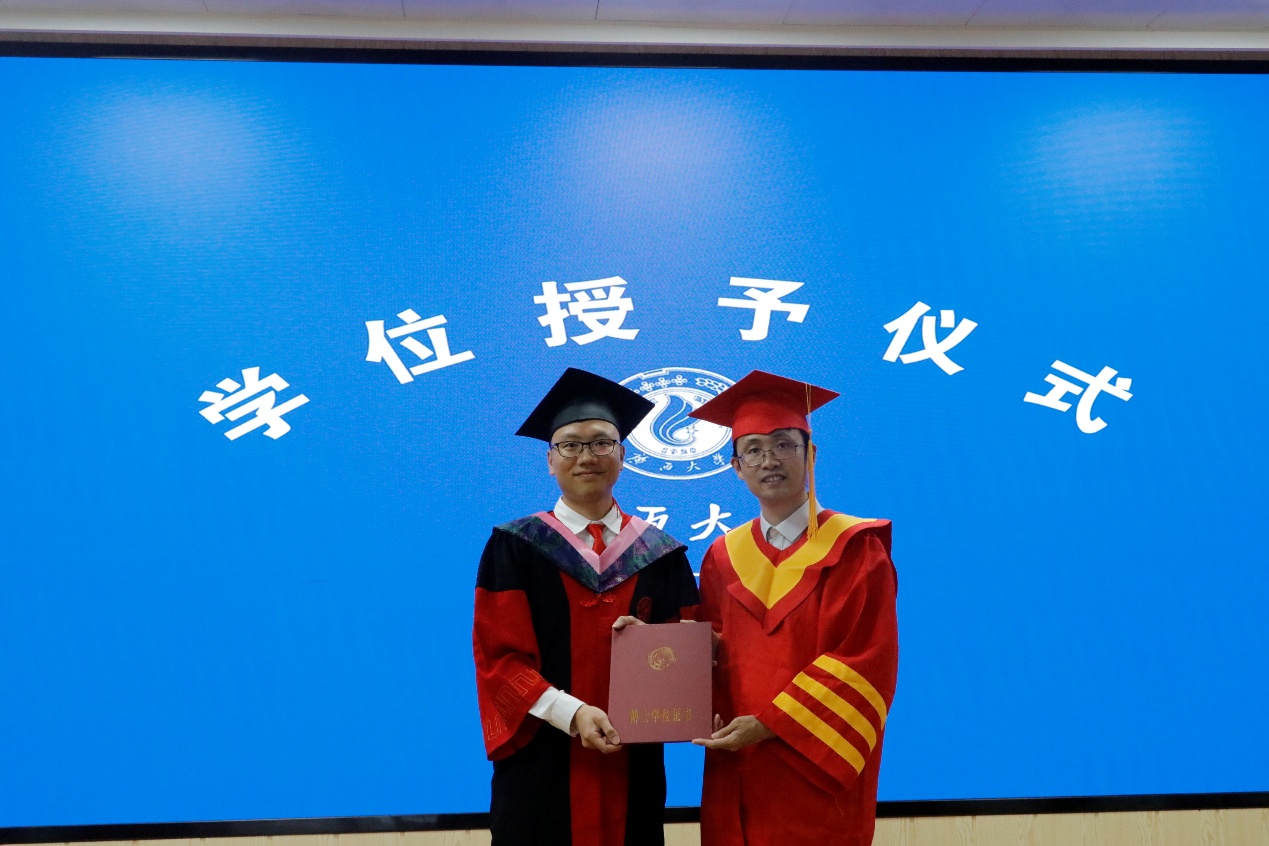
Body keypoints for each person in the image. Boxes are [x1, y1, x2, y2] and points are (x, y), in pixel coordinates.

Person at [473, 367, 701, 846]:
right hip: (541, 765)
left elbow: (694, 658)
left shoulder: (661, 553)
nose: (586, 456)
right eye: (570, 445)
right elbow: (498, 659)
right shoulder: (515, 547)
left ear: (623, 455)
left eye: (601, 443)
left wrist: (666, 655)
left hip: (632, 765)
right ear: (550, 461)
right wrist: (572, 713)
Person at [687, 370, 899, 846]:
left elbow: (867, 660)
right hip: (735, 765)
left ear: (811, 454)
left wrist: (769, 724)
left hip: (814, 766)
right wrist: (655, 649)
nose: (770, 460)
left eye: (784, 444)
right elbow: (712, 650)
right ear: (736, 467)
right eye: (754, 450)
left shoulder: (855, 549)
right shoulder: (722, 556)